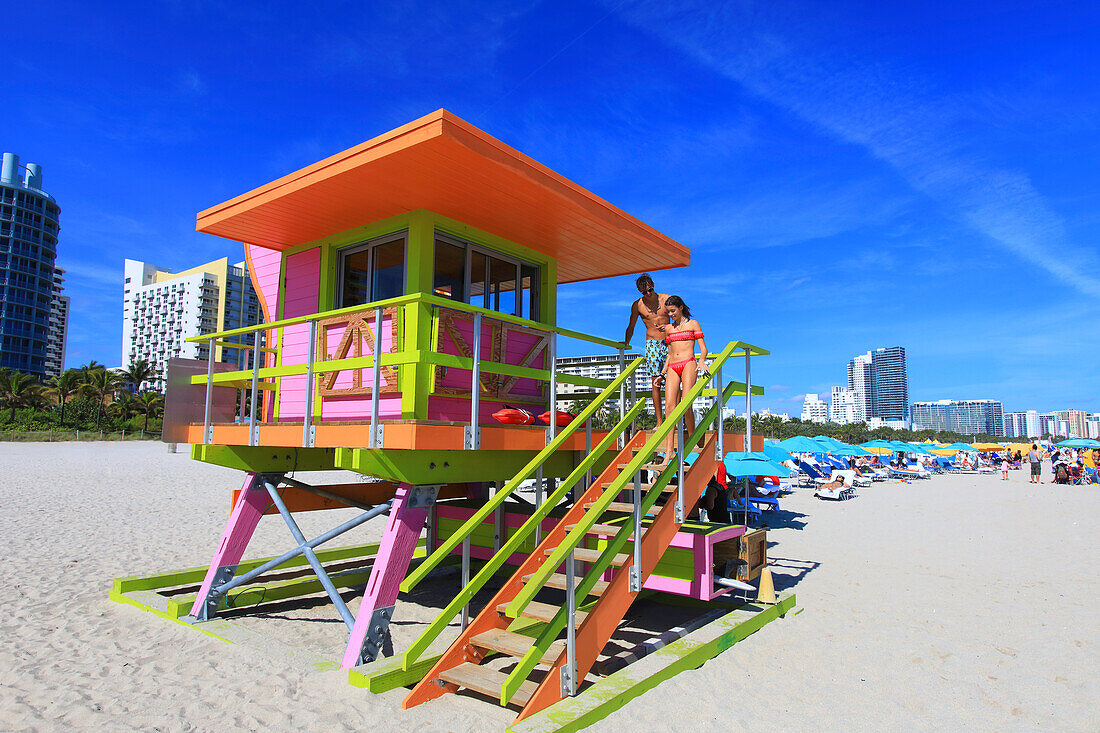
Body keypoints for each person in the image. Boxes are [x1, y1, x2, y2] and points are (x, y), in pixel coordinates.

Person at [657, 295, 707, 461]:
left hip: (688, 363)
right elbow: (670, 355)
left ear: (681, 308)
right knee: (669, 408)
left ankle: (693, 439)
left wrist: (701, 361)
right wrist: (662, 374)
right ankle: (669, 450)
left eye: (673, 311)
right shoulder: (669, 329)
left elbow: (703, 349)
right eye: (669, 312)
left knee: (686, 405)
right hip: (672, 366)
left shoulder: (693, 324)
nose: (671, 314)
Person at [623, 274, 670, 427]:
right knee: (655, 383)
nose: (648, 294)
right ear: (639, 291)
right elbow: (631, 326)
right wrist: (626, 343)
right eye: (644, 292)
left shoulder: (667, 300)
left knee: (672, 381)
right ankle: (659, 421)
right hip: (652, 345)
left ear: (653, 285)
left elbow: (680, 320)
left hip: (670, 343)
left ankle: (673, 419)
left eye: (649, 289)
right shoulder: (638, 305)